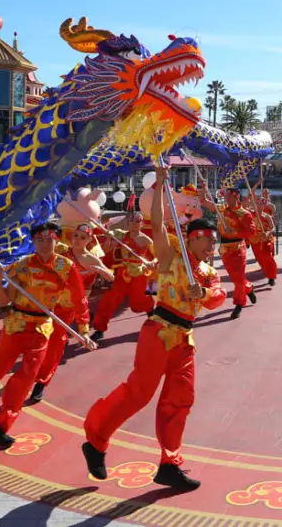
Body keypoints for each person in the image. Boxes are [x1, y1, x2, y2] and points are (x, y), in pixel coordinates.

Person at [83, 164, 226, 491]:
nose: (211, 247)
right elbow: (159, 225)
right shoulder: (170, 256)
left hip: (184, 339)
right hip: (159, 331)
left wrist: (203, 294)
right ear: (191, 239)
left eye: (213, 241)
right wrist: (160, 185)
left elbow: (218, 296)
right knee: (139, 393)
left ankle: (169, 463)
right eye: (205, 240)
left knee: (180, 399)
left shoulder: (208, 273)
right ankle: (96, 440)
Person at [0, 221, 95, 449]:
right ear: (33, 242)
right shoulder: (21, 266)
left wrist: (84, 331)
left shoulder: (65, 266)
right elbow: (3, 302)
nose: (44, 244)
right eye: (39, 240)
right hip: (17, 324)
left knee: (26, 379)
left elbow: (80, 299)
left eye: (49, 239)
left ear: (57, 241)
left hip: (42, 328)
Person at [31, 222, 114, 403]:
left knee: (55, 347)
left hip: (69, 308)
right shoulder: (61, 250)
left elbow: (111, 276)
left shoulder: (91, 259)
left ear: (89, 240)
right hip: (48, 302)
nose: (78, 240)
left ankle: (41, 382)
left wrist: (100, 270)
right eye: (76, 235)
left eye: (83, 237)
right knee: (34, 339)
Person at [91, 212, 156, 343]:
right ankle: (99, 329)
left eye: (137, 221)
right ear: (128, 222)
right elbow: (106, 242)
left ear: (141, 223)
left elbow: (157, 256)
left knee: (138, 303)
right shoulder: (120, 235)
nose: (134, 223)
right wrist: (109, 239)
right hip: (123, 273)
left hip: (139, 274)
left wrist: (151, 262)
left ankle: (150, 309)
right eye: (131, 221)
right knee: (109, 300)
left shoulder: (146, 240)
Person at [199, 183, 258, 320]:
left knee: (238, 278)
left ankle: (238, 304)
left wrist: (235, 232)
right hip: (225, 249)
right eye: (225, 196)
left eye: (228, 197)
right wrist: (203, 188)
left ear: (236, 197)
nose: (226, 199)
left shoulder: (245, 214)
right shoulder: (222, 209)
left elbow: (251, 231)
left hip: (238, 248)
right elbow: (203, 202)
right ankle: (249, 288)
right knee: (236, 277)